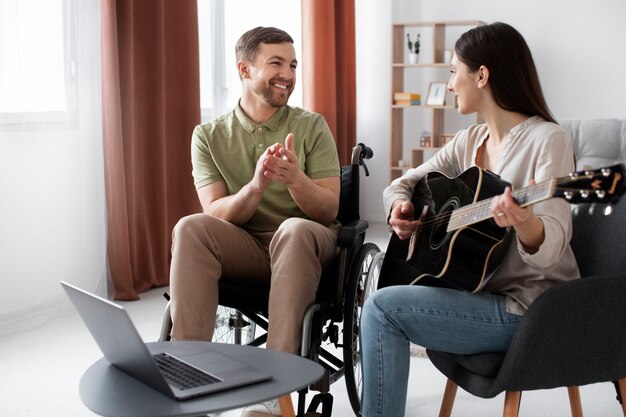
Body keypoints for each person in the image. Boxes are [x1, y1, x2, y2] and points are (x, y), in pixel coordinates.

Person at [360, 22, 580, 417]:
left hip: (529, 309)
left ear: (482, 75)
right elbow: (403, 183)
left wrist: (524, 222)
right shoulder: (468, 141)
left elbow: (552, 249)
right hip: (476, 293)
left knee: (381, 308)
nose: (448, 85)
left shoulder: (549, 140)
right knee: (382, 299)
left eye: (452, 72)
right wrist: (399, 208)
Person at [168, 26, 341, 417]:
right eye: (276, 63)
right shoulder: (208, 136)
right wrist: (256, 186)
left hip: (307, 244)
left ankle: (271, 392)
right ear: (245, 69)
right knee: (189, 227)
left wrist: (296, 179)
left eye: (293, 64)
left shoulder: (312, 125)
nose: (289, 74)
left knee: (293, 230)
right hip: (246, 247)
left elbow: (329, 210)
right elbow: (215, 211)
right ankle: (188, 374)